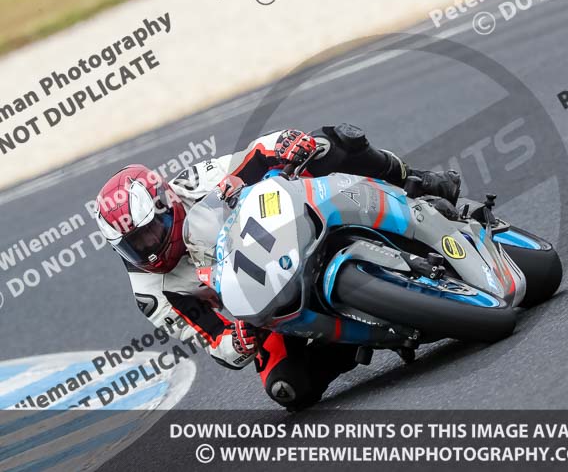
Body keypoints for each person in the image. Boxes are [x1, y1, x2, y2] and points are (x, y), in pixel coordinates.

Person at [95, 124, 460, 409]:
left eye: (150, 232)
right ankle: (364, 334)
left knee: (329, 144)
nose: (149, 250)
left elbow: (257, 154)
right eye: (133, 246)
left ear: (166, 202)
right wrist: (239, 339)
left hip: (286, 227)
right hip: (264, 302)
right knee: (287, 387)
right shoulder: (153, 296)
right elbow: (214, 342)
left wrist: (286, 143)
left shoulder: (193, 183)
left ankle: (415, 183)